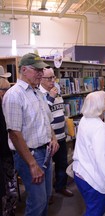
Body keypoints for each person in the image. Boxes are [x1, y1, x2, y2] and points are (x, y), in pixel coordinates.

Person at [2, 53, 59, 216]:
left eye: (42, 70)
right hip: (31, 155)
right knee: (37, 201)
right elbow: (14, 133)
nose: (41, 74)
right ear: (24, 70)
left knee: (46, 196)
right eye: (37, 70)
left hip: (45, 152)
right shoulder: (14, 95)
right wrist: (32, 164)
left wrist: (53, 137)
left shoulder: (37, 93)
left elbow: (46, 120)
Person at [72, 91, 105, 216]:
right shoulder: (99, 127)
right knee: (97, 210)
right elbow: (101, 159)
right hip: (92, 179)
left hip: (80, 173)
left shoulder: (84, 120)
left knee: (92, 208)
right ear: (99, 106)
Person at [39, 68, 73, 197]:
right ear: (41, 79)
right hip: (48, 138)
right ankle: (48, 194)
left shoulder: (56, 92)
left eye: (54, 77)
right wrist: (51, 98)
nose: (53, 80)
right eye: (49, 78)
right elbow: (42, 114)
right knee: (46, 167)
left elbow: (60, 110)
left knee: (62, 163)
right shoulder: (39, 94)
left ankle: (60, 186)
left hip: (61, 136)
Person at [0, 68, 17, 216]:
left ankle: (9, 208)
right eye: (5, 89)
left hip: (8, 153)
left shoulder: (6, 104)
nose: (7, 92)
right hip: (4, 153)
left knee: (9, 187)